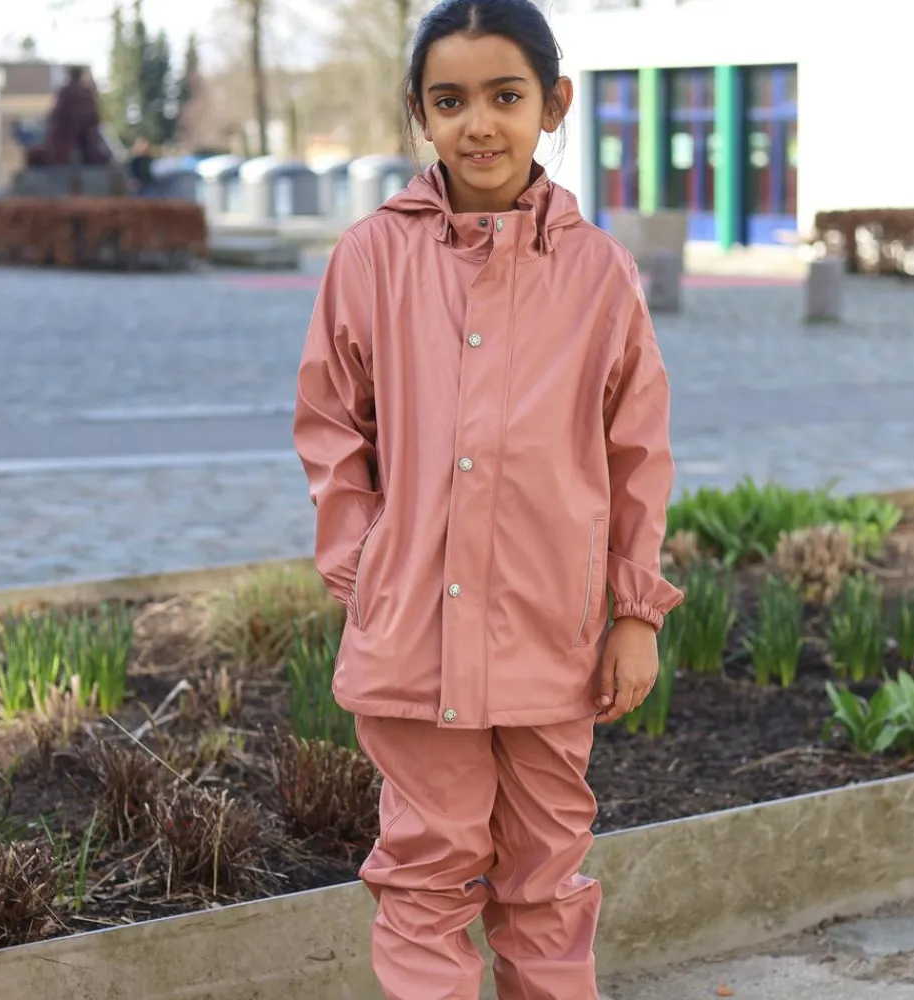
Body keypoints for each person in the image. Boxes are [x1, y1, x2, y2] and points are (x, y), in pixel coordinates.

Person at [293, 1, 683, 996]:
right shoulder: (371, 258)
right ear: (419, 112)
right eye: (450, 100)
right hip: (414, 630)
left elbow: (636, 455)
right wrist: (364, 564)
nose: (479, 124)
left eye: (505, 97)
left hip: (551, 631)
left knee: (546, 876)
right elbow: (332, 426)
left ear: (552, 104)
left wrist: (635, 613)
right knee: (425, 871)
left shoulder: (599, 275)